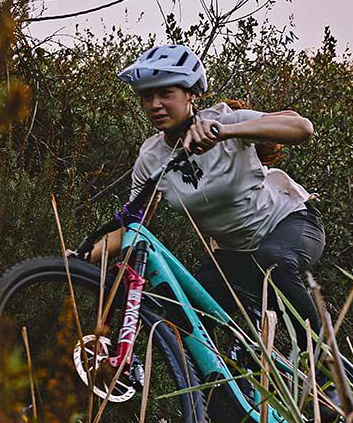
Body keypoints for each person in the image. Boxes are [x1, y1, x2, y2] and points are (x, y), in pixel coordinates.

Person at [87, 43, 325, 347]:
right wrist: (80, 257)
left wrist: (226, 133)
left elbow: (302, 128)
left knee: (273, 261)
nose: (155, 105)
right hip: (236, 254)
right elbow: (132, 226)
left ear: (190, 94)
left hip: (291, 224)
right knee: (182, 311)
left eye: (165, 94)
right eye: (147, 97)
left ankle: (322, 371)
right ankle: (218, 390)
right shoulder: (151, 157)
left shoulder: (226, 121)